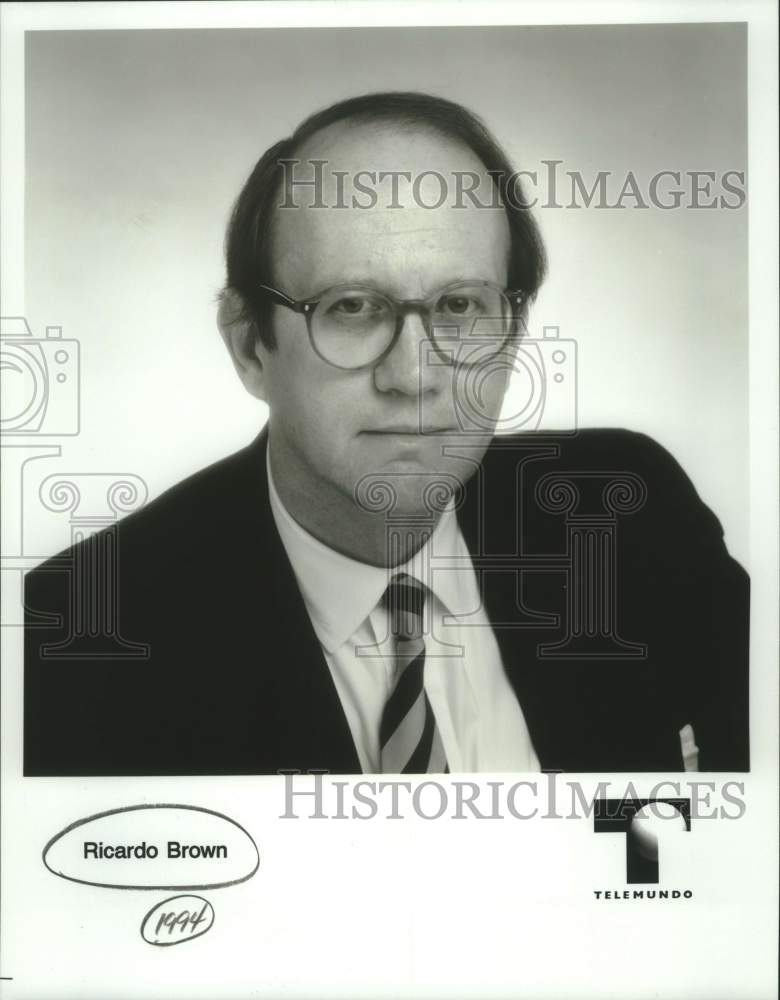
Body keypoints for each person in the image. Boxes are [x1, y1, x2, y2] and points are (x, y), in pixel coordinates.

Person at [24, 92, 749, 776]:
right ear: (251, 346)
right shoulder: (79, 634)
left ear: (513, 331)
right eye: (352, 307)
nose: (414, 376)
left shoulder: (630, 513)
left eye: (460, 304)